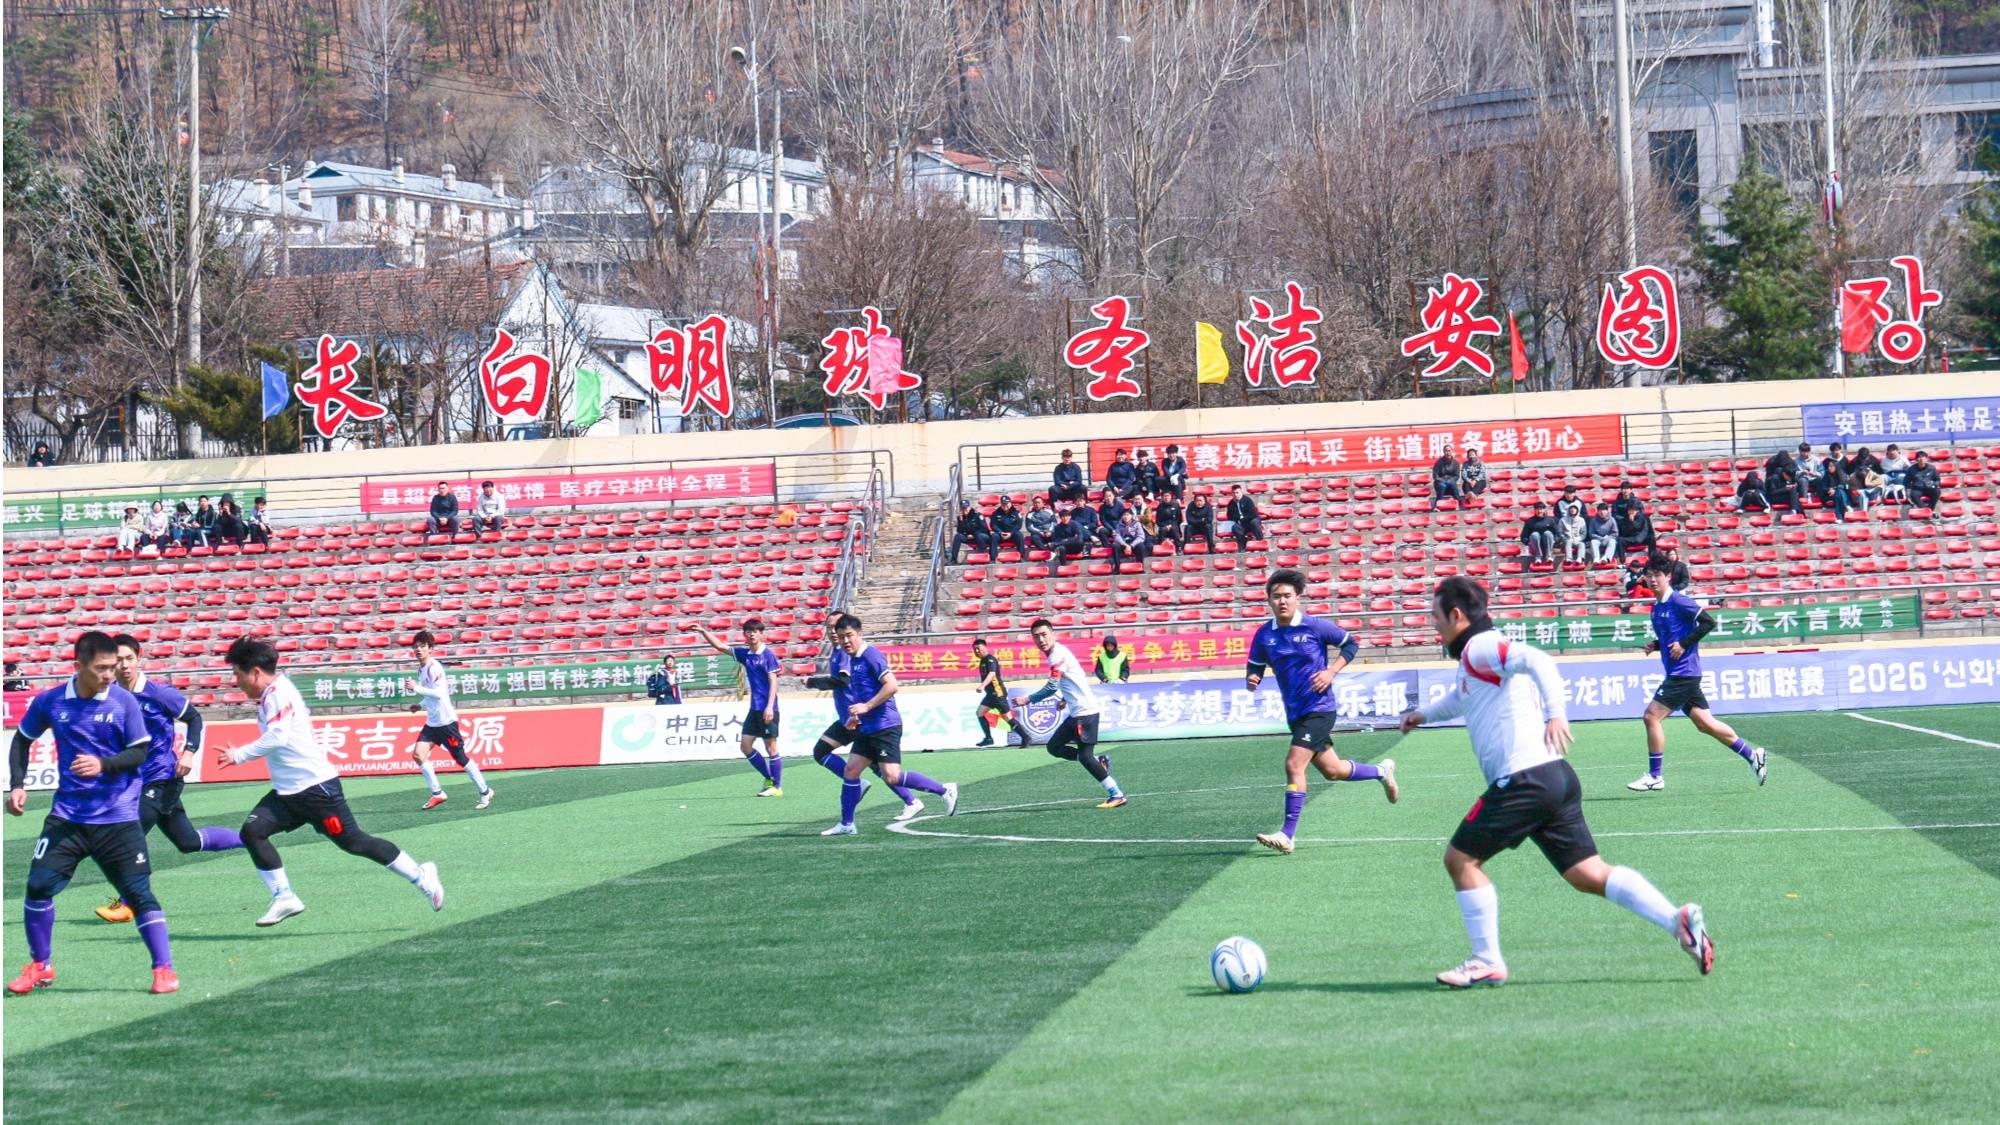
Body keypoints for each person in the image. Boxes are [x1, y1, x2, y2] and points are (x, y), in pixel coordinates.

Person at [1398, 576, 1715, 988]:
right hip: (1554, 777)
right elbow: (1461, 698)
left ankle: (1486, 960)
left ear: (1457, 615)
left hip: (1523, 780)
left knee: (1460, 861)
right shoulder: (1476, 657)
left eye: (1436, 617)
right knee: (1588, 874)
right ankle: (1677, 921)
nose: (1433, 625)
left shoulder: (1481, 647)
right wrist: (1423, 715)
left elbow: (1539, 661)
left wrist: (1556, 713)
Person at [220, 637, 444, 928]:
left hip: (316, 789)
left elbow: (278, 737)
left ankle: (421, 877)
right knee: (252, 831)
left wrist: (239, 755)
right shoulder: (271, 694)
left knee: (355, 842)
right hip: (288, 793)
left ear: (255, 673)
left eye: (237, 673)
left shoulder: (279, 694)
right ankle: (284, 896)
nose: (235, 681)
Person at [6, 631, 178, 995]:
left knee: (138, 894)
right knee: (38, 886)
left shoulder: (123, 701)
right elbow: (22, 740)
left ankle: (164, 969)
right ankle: (41, 966)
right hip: (67, 818)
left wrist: (103, 764)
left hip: (118, 818)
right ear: (78, 666)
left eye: (113, 667)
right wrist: (17, 784)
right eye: (101, 668)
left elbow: (139, 753)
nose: (110, 674)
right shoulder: (51, 701)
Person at [93, 635, 245, 925]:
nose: (124, 665)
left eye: (129, 659)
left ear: (139, 658)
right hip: (134, 782)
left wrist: (189, 752)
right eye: (118, 660)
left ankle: (128, 903)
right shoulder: (110, 696)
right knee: (188, 842)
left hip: (162, 777)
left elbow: (194, 718)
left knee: (128, 836)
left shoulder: (158, 693)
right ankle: (249, 839)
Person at [1247, 568, 1395, 855]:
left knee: (1294, 765)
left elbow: (1350, 643)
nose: (1282, 601)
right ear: (1268, 600)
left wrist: (1331, 672)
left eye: (1287, 596)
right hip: (1295, 712)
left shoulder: (1314, 627)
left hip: (1320, 708)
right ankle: (1382, 771)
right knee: (1333, 771)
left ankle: (1287, 834)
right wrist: (1253, 677)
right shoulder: (1264, 634)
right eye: (1276, 596)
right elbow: (1255, 664)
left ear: (1298, 598)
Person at [1626, 553, 1768, 793]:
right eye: (1649, 576)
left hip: (1684, 674)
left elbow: (1708, 622)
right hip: (1681, 673)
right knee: (1705, 724)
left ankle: (1655, 776)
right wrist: (1656, 645)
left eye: (1657, 575)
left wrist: (1683, 644)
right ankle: (1753, 756)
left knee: (1651, 717)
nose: (1652, 580)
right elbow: (1671, 636)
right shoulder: (1656, 607)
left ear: (1668, 577)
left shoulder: (1679, 601)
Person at [816, 613, 959, 836]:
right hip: (866, 727)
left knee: (891, 776)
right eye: (842, 637)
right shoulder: (853, 659)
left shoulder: (870, 655)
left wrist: (867, 706)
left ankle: (943, 789)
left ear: (859, 633)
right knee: (851, 771)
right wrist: (856, 716)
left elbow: (891, 685)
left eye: (849, 635)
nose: (845, 641)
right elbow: (862, 692)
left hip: (885, 726)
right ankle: (847, 823)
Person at [804, 610, 921, 818]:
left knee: (823, 752)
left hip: (858, 718)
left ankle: (861, 788)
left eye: (838, 627)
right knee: (876, 766)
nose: (833, 631)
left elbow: (843, 681)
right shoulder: (839, 651)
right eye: (830, 627)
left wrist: (813, 682)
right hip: (850, 717)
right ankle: (910, 800)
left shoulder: (848, 653)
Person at [1012, 619, 1125, 808]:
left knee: (1085, 756)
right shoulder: (1058, 653)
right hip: (1076, 712)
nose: (1041, 640)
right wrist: (1066, 698)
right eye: (1036, 636)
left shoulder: (1057, 655)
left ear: (1053, 634)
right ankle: (1099, 762)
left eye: (1044, 635)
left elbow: (1051, 687)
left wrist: (1027, 700)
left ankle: (1116, 793)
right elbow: (1073, 678)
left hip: (1085, 713)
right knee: (1054, 747)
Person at [403, 630, 493, 811]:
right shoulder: (421, 669)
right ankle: (437, 793)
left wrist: (416, 688)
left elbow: (439, 693)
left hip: (446, 723)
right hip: (432, 723)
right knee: (418, 755)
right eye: (416, 647)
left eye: (422, 646)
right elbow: (430, 695)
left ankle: (485, 791)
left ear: (430, 648)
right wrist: (420, 705)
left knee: (461, 759)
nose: (418, 650)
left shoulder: (434, 667)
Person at [694, 619, 785, 797]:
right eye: (748, 632)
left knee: (771, 748)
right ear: (744, 635)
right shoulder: (746, 654)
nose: (751, 634)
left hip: (768, 708)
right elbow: (721, 646)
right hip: (754, 708)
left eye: (755, 631)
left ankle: (777, 787)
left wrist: (769, 707)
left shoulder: (768, 655)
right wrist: (703, 631)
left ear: (761, 634)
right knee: (745, 746)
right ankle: (769, 779)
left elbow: (773, 681)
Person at [971, 638, 1018, 748]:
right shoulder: (983, 661)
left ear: (985, 648)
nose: (976, 651)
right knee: (979, 713)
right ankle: (988, 738)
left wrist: (982, 686)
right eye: (974, 649)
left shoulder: (990, 659)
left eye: (978, 648)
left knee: (1007, 718)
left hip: (997, 693)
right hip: (991, 695)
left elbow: (992, 674)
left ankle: (1025, 736)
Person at [1045, 510, 1088, 576]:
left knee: (1079, 541)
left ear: (1070, 517)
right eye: (1063, 517)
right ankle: (1064, 568)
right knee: (1061, 548)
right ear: (1060, 518)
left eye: (1066, 516)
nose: (1065, 518)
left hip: (1076, 547)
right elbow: (1056, 539)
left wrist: (1065, 540)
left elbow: (1079, 537)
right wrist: (1070, 539)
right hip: (1066, 548)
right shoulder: (1057, 527)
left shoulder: (1075, 524)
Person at [1225, 485, 1264, 551]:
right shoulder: (1231, 504)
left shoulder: (1248, 500)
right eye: (1234, 493)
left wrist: (1242, 519)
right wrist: (1237, 520)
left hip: (1250, 521)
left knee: (1254, 522)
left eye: (1237, 492)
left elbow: (1252, 514)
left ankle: (1261, 541)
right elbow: (1230, 516)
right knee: (1235, 527)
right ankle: (1243, 545)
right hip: (1241, 525)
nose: (1236, 495)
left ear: (1241, 492)